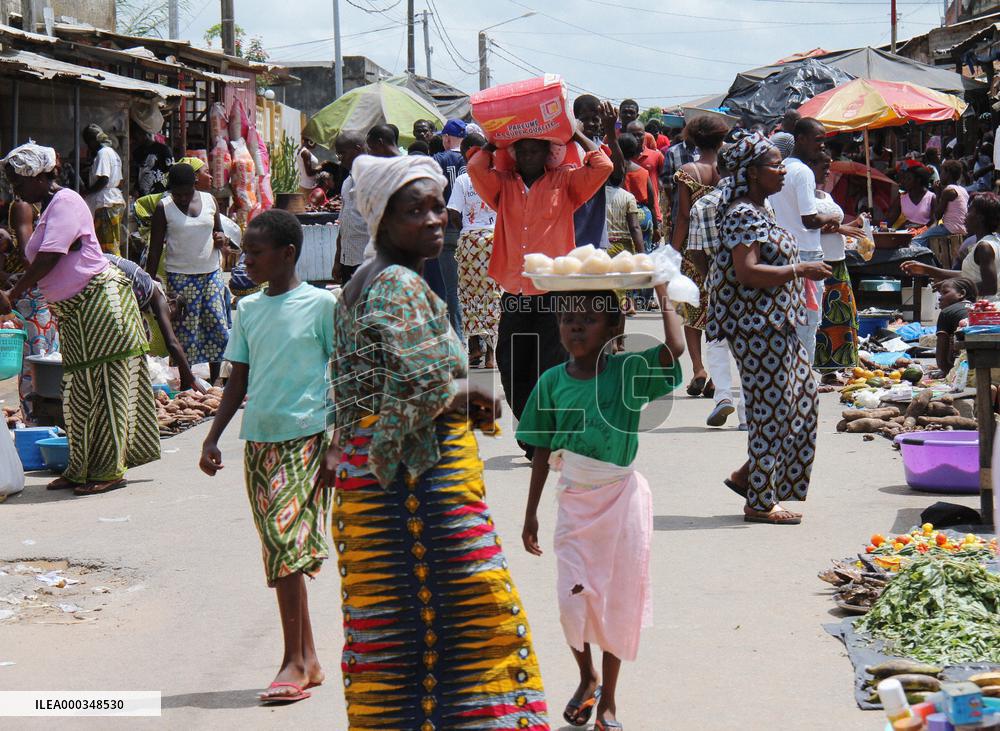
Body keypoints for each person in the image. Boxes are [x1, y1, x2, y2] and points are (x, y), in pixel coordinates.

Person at [329, 153, 548, 727]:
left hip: (376, 485)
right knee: (481, 625)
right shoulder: (399, 286)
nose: (435, 220)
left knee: (395, 639)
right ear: (381, 221)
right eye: (414, 211)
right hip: (418, 494)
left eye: (436, 206)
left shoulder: (361, 282)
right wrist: (485, 399)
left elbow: (354, 398)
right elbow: (429, 390)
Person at [517, 286, 684, 730]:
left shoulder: (628, 372)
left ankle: (608, 699)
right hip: (574, 499)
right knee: (572, 598)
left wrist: (663, 292)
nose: (575, 326)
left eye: (589, 319)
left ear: (615, 329)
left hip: (620, 500)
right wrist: (530, 512)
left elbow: (675, 349)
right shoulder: (552, 380)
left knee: (615, 600)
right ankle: (585, 675)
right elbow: (539, 449)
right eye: (568, 318)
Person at [200, 209, 337, 705]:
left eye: (255, 252)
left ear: (288, 254)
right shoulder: (248, 310)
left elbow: (343, 373)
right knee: (281, 549)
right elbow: (238, 378)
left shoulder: (321, 306)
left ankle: (293, 661)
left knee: (284, 540)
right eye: (244, 251)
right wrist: (212, 436)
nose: (246, 260)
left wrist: (338, 442)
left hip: (307, 439)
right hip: (259, 443)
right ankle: (309, 660)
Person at [0, 142, 160, 495]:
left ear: (39, 177)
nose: (16, 191)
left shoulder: (67, 202)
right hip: (74, 312)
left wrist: (14, 295)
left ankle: (109, 470)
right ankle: (81, 467)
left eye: (19, 183)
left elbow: (50, 258)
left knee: (106, 387)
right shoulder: (47, 210)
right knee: (78, 391)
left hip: (100, 304)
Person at [707, 131, 828, 524]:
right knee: (771, 410)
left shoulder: (762, 209)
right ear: (753, 173)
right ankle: (759, 500)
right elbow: (747, 272)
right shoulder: (743, 212)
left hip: (781, 322)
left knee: (804, 398)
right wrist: (800, 269)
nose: (782, 171)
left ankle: (748, 475)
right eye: (775, 165)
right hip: (757, 327)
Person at [469, 130, 613, 459]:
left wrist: (574, 134)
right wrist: (496, 140)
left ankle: (545, 435)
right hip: (516, 291)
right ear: (515, 153)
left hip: (553, 292)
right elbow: (477, 168)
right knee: (511, 366)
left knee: (549, 368)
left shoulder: (566, 184)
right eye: (523, 151)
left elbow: (602, 166)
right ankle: (530, 426)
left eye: (536, 150)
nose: (529, 155)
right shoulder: (502, 185)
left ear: (548, 153)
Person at [146, 163, 230, 384]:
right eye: (177, 194)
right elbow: (154, 249)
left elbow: (218, 230)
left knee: (216, 323)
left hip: (210, 273)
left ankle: (215, 380)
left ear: (195, 184)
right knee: (186, 330)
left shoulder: (210, 201)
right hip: (180, 277)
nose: (182, 198)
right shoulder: (164, 208)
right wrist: (147, 282)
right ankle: (187, 379)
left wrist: (221, 238)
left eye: (186, 193)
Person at [767, 117, 839, 367]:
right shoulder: (804, 172)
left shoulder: (782, 167)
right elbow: (809, 219)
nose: (821, 146)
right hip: (806, 255)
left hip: (783, 252)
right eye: (818, 140)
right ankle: (803, 377)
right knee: (808, 320)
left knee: (786, 320)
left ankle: (788, 375)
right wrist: (832, 217)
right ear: (801, 139)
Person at [686, 152, 748, 429]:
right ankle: (747, 411)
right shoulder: (753, 203)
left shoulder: (702, 205)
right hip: (751, 282)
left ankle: (723, 395)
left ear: (718, 170)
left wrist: (709, 275)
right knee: (750, 346)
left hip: (719, 282)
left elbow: (695, 251)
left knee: (716, 341)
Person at [671, 114, 728, 396]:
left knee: (690, 310)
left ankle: (698, 368)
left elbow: (683, 217)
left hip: (693, 250)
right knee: (719, 311)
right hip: (724, 250)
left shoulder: (688, 171)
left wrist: (672, 250)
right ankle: (718, 375)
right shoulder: (729, 170)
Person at [1, 194, 59, 424]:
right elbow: (28, 256)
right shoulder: (24, 205)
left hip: (38, 291)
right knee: (36, 363)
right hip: (31, 294)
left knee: (46, 359)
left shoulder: (43, 203)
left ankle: (44, 420)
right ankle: (36, 422)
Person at [105, 253, 199, 391]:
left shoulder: (143, 293)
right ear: (171, 304)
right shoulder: (158, 296)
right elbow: (172, 342)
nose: (168, 319)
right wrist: (188, 376)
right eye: (173, 316)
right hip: (103, 271)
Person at [447, 132, 500, 368]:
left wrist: (467, 230)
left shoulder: (463, 180)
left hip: (469, 242)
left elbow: (453, 213)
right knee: (492, 296)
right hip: (494, 240)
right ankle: (491, 354)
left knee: (469, 296)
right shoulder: (498, 176)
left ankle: (474, 347)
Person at [810, 152, 864, 373]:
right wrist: (842, 227)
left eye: (828, 166)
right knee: (823, 318)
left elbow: (832, 225)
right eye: (823, 166)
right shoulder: (802, 197)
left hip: (838, 261)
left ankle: (841, 366)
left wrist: (855, 224)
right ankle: (824, 367)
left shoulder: (824, 195)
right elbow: (807, 224)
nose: (827, 171)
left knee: (842, 315)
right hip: (819, 261)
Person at [902, 192, 1000, 297]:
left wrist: (955, 288)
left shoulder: (984, 247)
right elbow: (968, 275)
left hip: (985, 310)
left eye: (970, 212)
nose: (965, 216)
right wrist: (926, 269)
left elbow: (990, 288)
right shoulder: (992, 242)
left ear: (980, 218)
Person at [430, 118, 469, 339]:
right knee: (474, 286)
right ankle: (480, 341)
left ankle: (459, 338)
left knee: (452, 289)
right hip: (472, 228)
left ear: (446, 138)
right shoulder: (474, 158)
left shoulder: (437, 159)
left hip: (447, 227)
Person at [573, 95, 623, 250]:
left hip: (594, 230)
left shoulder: (603, 149)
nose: (590, 124)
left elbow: (617, 177)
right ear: (574, 119)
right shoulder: (565, 147)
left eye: (595, 119)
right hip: (568, 229)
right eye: (584, 119)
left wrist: (611, 133)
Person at [605, 170, 646, 316]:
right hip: (623, 248)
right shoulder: (628, 197)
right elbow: (635, 227)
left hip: (603, 247)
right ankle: (620, 317)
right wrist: (642, 254)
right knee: (620, 286)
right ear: (622, 179)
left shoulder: (596, 196)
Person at [81, 124, 126, 255]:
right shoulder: (113, 153)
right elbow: (120, 181)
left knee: (107, 244)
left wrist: (87, 192)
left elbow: (103, 179)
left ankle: (113, 271)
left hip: (106, 203)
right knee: (112, 241)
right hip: (113, 200)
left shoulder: (103, 153)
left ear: (92, 141)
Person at [332, 131, 368, 286]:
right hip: (349, 259)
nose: (340, 160)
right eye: (338, 155)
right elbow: (344, 222)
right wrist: (338, 259)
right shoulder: (348, 182)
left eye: (342, 154)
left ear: (358, 149)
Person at [912, 160, 969, 247]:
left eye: (941, 172)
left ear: (947, 174)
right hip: (963, 228)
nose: (940, 175)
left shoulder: (948, 191)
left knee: (916, 241)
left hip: (950, 228)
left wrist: (938, 193)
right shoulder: (963, 190)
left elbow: (938, 215)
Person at [620, 133, 657, 254]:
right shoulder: (643, 172)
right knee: (643, 253)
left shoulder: (613, 170)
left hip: (622, 215)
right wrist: (656, 226)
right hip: (643, 215)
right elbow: (651, 202)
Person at [627, 120, 665, 238]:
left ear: (645, 135)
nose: (637, 138)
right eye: (633, 135)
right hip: (627, 214)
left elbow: (664, 181)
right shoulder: (621, 158)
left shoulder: (656, 156)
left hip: (651, 213)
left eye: (640, 134)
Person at [934, 276, 977, 374]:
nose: (940, 298)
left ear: (961, 293)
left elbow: (942, 360)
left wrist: (949, 373)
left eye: (945, 292)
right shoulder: (978, 308)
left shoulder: (946, 312)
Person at [890, 164, 936, 228]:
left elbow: (934, 222)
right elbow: (890, 220)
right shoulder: (902, 198)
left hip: (925, 235)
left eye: (908, 179)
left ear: (918, 180)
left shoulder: (931, 197)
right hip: (906, 234)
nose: (904, 181)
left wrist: (918, 227)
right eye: (904, 178)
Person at [133, 130, 174, 197]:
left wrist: (169, 188)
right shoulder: (138, 152)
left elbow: (171, 169)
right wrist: (136, 188)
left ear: (145, 135)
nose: (137, 139)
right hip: (143, 192)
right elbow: (138, 172)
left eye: (139, 135)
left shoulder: (163, 149)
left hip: (160, 190)